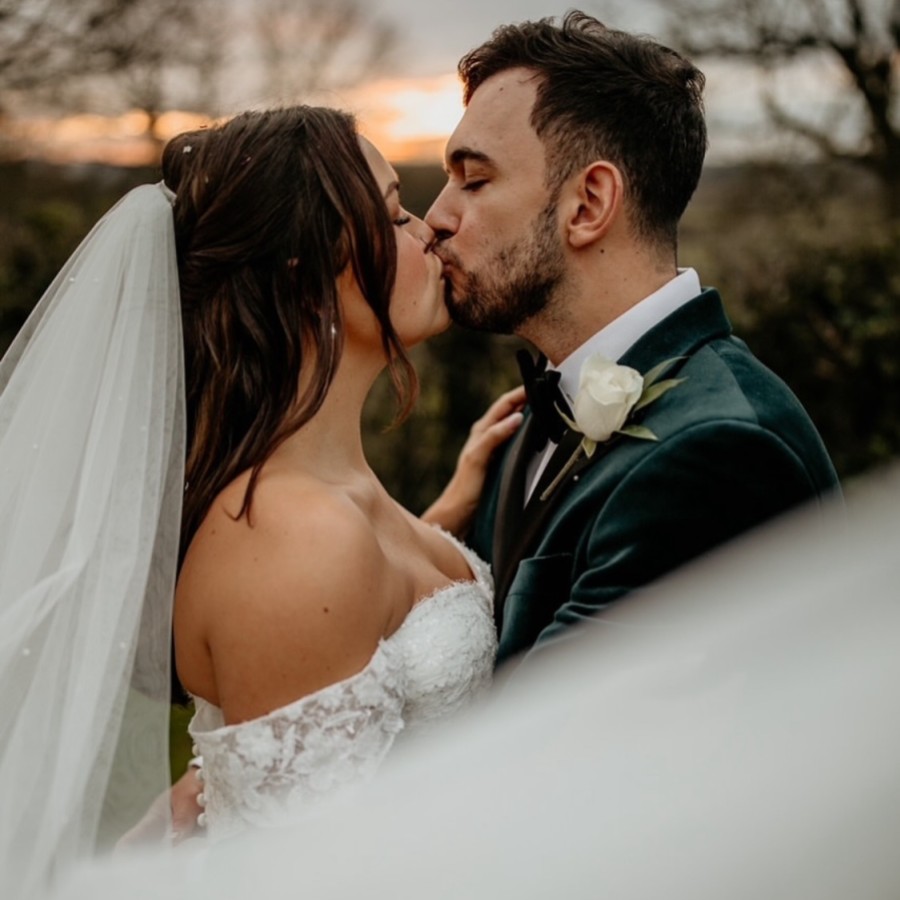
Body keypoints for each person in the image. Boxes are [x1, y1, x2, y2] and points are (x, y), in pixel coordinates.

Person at [0, 105, 524, 896]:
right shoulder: (291, 537)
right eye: (391, 213)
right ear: (302, 272)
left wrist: (445, 517)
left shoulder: (327, 500)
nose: (429, 231)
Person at [423, 11, 841, 672]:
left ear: (589, 203)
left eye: (473, 180)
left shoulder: (717, 454)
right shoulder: (528, 417)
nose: (436, 219)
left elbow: (536, 755)